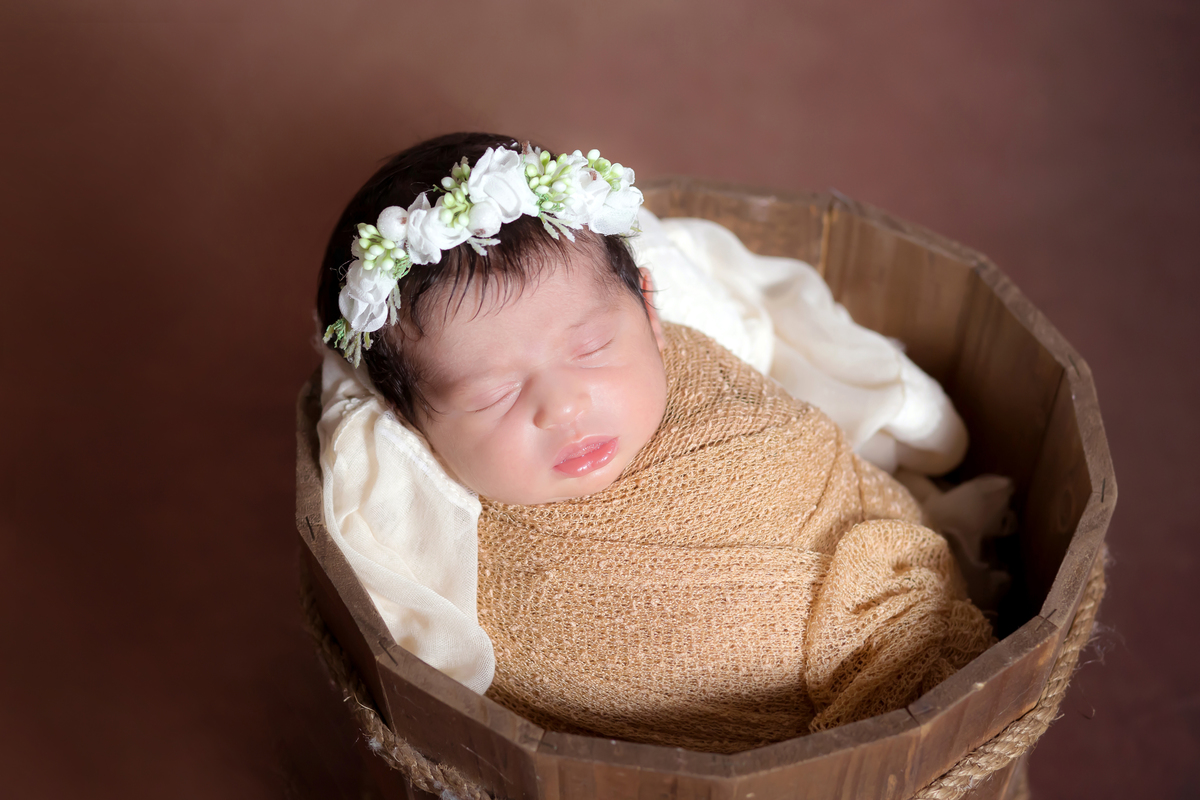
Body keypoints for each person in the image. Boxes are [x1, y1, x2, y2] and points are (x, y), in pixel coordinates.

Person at [316, 132, 993, 753]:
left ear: (650, 310)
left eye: (592, 346)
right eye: (493, 394)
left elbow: (824, 469)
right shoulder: (446, 547)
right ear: (411, 422)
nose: (564, 405)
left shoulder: (722, 397)